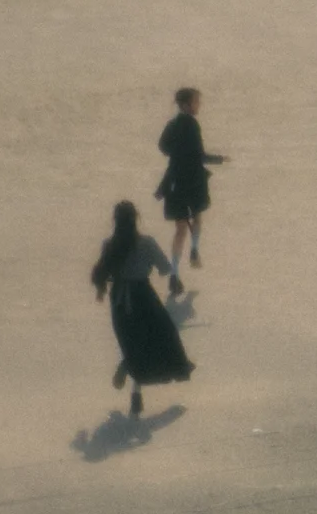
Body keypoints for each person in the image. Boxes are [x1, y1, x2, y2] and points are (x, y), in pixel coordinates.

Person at [91, 200, 194, 418]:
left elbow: (101, 273)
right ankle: (136, 381)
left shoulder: (109, 245)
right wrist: (176, 281)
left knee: (131, 343)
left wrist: (101, 290)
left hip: (119, 299)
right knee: (164, 336)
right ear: (135, 219)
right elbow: (165, 268)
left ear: (115, 221)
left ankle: (132, 379)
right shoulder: (146, 242)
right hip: (143, 297)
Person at [155, 87, 226, 297]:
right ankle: (194, 249)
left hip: (175, 181)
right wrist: (220, 159)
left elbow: (163, 146)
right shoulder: (192, 126)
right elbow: (200, 155)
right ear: (187, 105)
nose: (199, 105)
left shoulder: (172, 125)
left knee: (179, 229)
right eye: (196, 102)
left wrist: (177, 155)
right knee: (197, 216)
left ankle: (175, 274)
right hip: (193, 181)